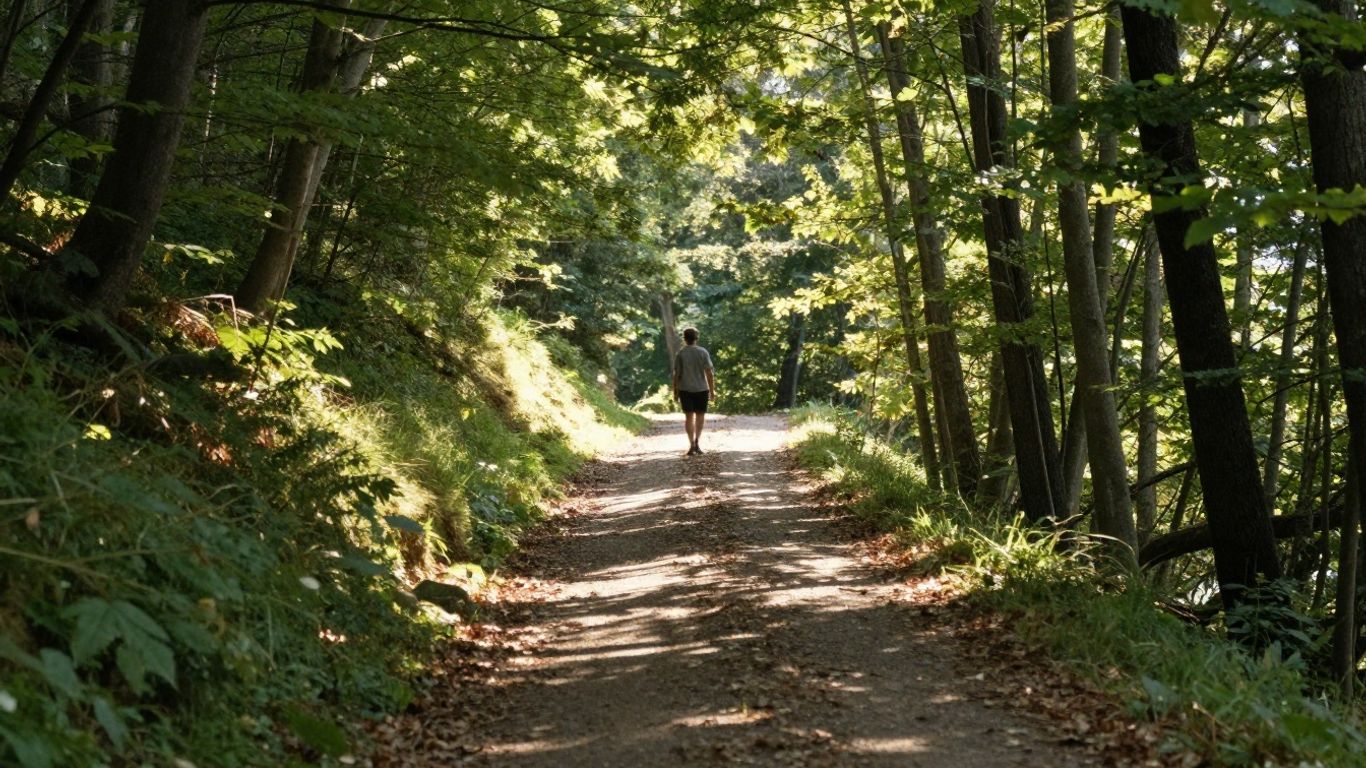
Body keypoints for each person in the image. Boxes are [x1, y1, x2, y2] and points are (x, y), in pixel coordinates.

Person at [672, 326, 716, 455]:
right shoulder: (703, 352)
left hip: (685, 389)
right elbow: (709, 372)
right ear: (696, 338)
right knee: (700, 416)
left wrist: (675, 392)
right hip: (702, 389)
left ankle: (691, 444)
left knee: (689, 417)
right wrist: (712, 391)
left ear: (684, 339)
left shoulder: (681, 354)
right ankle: (697, 442)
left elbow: (676, 375)